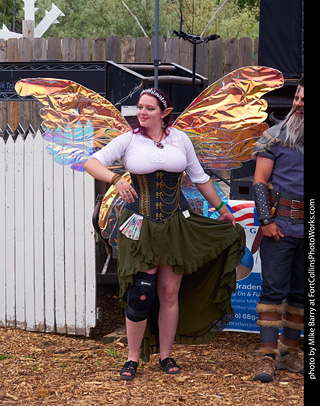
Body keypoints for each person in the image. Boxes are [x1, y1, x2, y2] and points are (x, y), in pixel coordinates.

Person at [84, 88, 245, 380]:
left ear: (165, 113)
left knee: (170, 292)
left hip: (175, 223)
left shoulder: (180, 139)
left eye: (149, 109)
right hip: (139, 223)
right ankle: (133, 358)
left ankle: (166, 355)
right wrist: (116, 178)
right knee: (142, 292)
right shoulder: (129, 140)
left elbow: (200, 179)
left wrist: (222, 208)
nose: (142, 113)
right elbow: (91, 162)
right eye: (140, 108)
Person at [252, 76, 304, 382]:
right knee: (273, 292)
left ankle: (288, 355)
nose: (298, 104)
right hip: (279, 228)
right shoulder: (274, 137)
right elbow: (259, 182)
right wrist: (266, 221)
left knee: (301, 294)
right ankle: (267, 358)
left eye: (303, 101)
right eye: (298, 98)